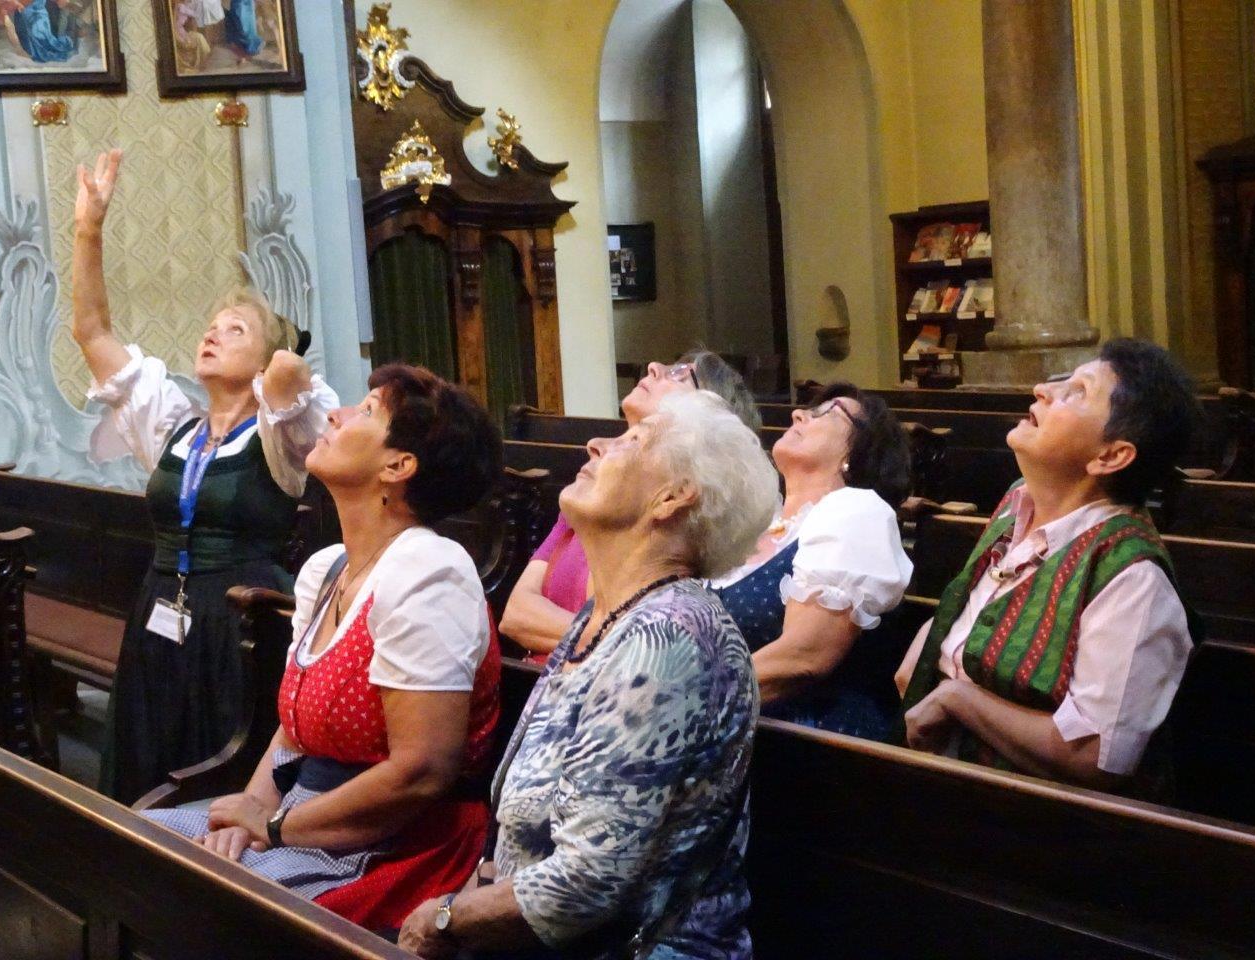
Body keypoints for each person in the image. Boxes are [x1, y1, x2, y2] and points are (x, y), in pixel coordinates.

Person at [398, 390, 779, 959]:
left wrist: (446, 919)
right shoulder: (606, 617)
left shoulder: (668, 638)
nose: (597, 443)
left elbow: (588, 881)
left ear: (672, 498)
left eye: (632, 441)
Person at [146, 365, 504, 929]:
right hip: (305, 813)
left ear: (398, 466)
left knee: (193, 906)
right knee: (135, 844)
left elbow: (421, 771)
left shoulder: (430, 572)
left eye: (366, 411)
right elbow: (292, 731)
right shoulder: (328, 568)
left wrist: (274, 827)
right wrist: (251, 812)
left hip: (395, 842)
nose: (335, 414)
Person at [72, 148, 339, 803]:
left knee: (216, 772)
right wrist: (88, 230)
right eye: (210, 327)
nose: (212, 335)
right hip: (160, 609)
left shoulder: (281, 433)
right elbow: (92, 331)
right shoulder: (173, 424)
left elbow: (292, 377)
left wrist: (276, 363)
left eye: (234, 330)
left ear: (264, 358)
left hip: (242, 624)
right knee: (147, 760)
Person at [895, 339, 1203, 792]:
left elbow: (1096, 758)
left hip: (1035, 820)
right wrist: (935, 637)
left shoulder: (1132, 577)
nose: (1042, 390)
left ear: (1110, 456)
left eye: (1078, 392)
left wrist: (959, 698)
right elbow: (990, 609)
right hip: (943, 783)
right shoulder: (1018, 503)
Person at [499, 350, 761, 662]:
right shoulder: (590, 495)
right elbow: (515, 615)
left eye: (680, 374)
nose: (653, 366)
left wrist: (620, 641)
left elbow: (645, 642)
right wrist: (614, 638)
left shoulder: (676, 589)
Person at [710, 383, 913, 739]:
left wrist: (683, 701)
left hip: (805, 742)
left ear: (858, 452)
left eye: (828, 413)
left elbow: (804, 657)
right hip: (726, 728)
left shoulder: (855, 513)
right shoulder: (756, 521)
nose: (798, 414)